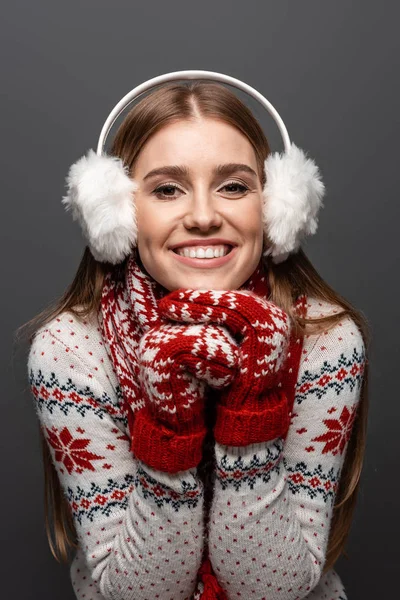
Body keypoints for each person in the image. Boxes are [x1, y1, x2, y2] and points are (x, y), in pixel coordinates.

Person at [24, 74, 369, 600]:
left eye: (233, 186)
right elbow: (141, 593)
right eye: (166, 189)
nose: (205, 216)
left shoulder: (327, 340)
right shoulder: (69, 350)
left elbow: (271, 589)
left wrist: (251, 412)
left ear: (276, 207)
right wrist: (171, 430)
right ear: (116, 213)